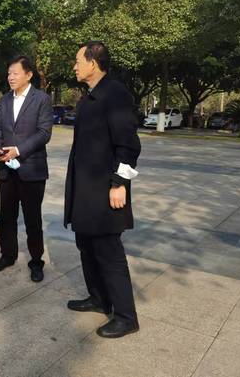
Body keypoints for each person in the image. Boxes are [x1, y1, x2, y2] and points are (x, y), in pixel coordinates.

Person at [64, 41, 141, 338]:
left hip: (106, 189)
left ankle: (125, 316)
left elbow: (129, 145)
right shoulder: (90, 97)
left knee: (109, 251)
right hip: (85, 190)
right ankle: (98, 298)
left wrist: (120, 183)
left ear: (93, 64)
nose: (74, 66)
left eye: (78, 61)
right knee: (86, 245)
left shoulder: (115, 95)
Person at [0, 55, 53, 282]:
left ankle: (36, 261)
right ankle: (7, 255)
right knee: (6, 217)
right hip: (7, 168)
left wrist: (18, 150)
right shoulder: (5, 100)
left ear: (28, 75)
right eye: (9, 73)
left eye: (15, 73)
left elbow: (44, 133)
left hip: (32, 169)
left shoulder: (41, 99)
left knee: (32, 219)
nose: (10, 77)